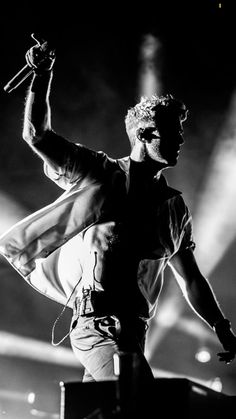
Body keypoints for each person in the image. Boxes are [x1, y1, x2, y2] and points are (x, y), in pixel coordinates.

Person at [1, 37, 236, 414]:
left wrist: (222, 327)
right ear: (144, 135)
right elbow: (37, 135)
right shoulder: (99, 174)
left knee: (97, 410)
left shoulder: (174, 209)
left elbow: (191, 278)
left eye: (180, 132)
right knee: (143, 405)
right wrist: (42, 76)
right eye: (171, 133)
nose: (179, 140)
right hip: (99, 326)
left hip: (134, 333)